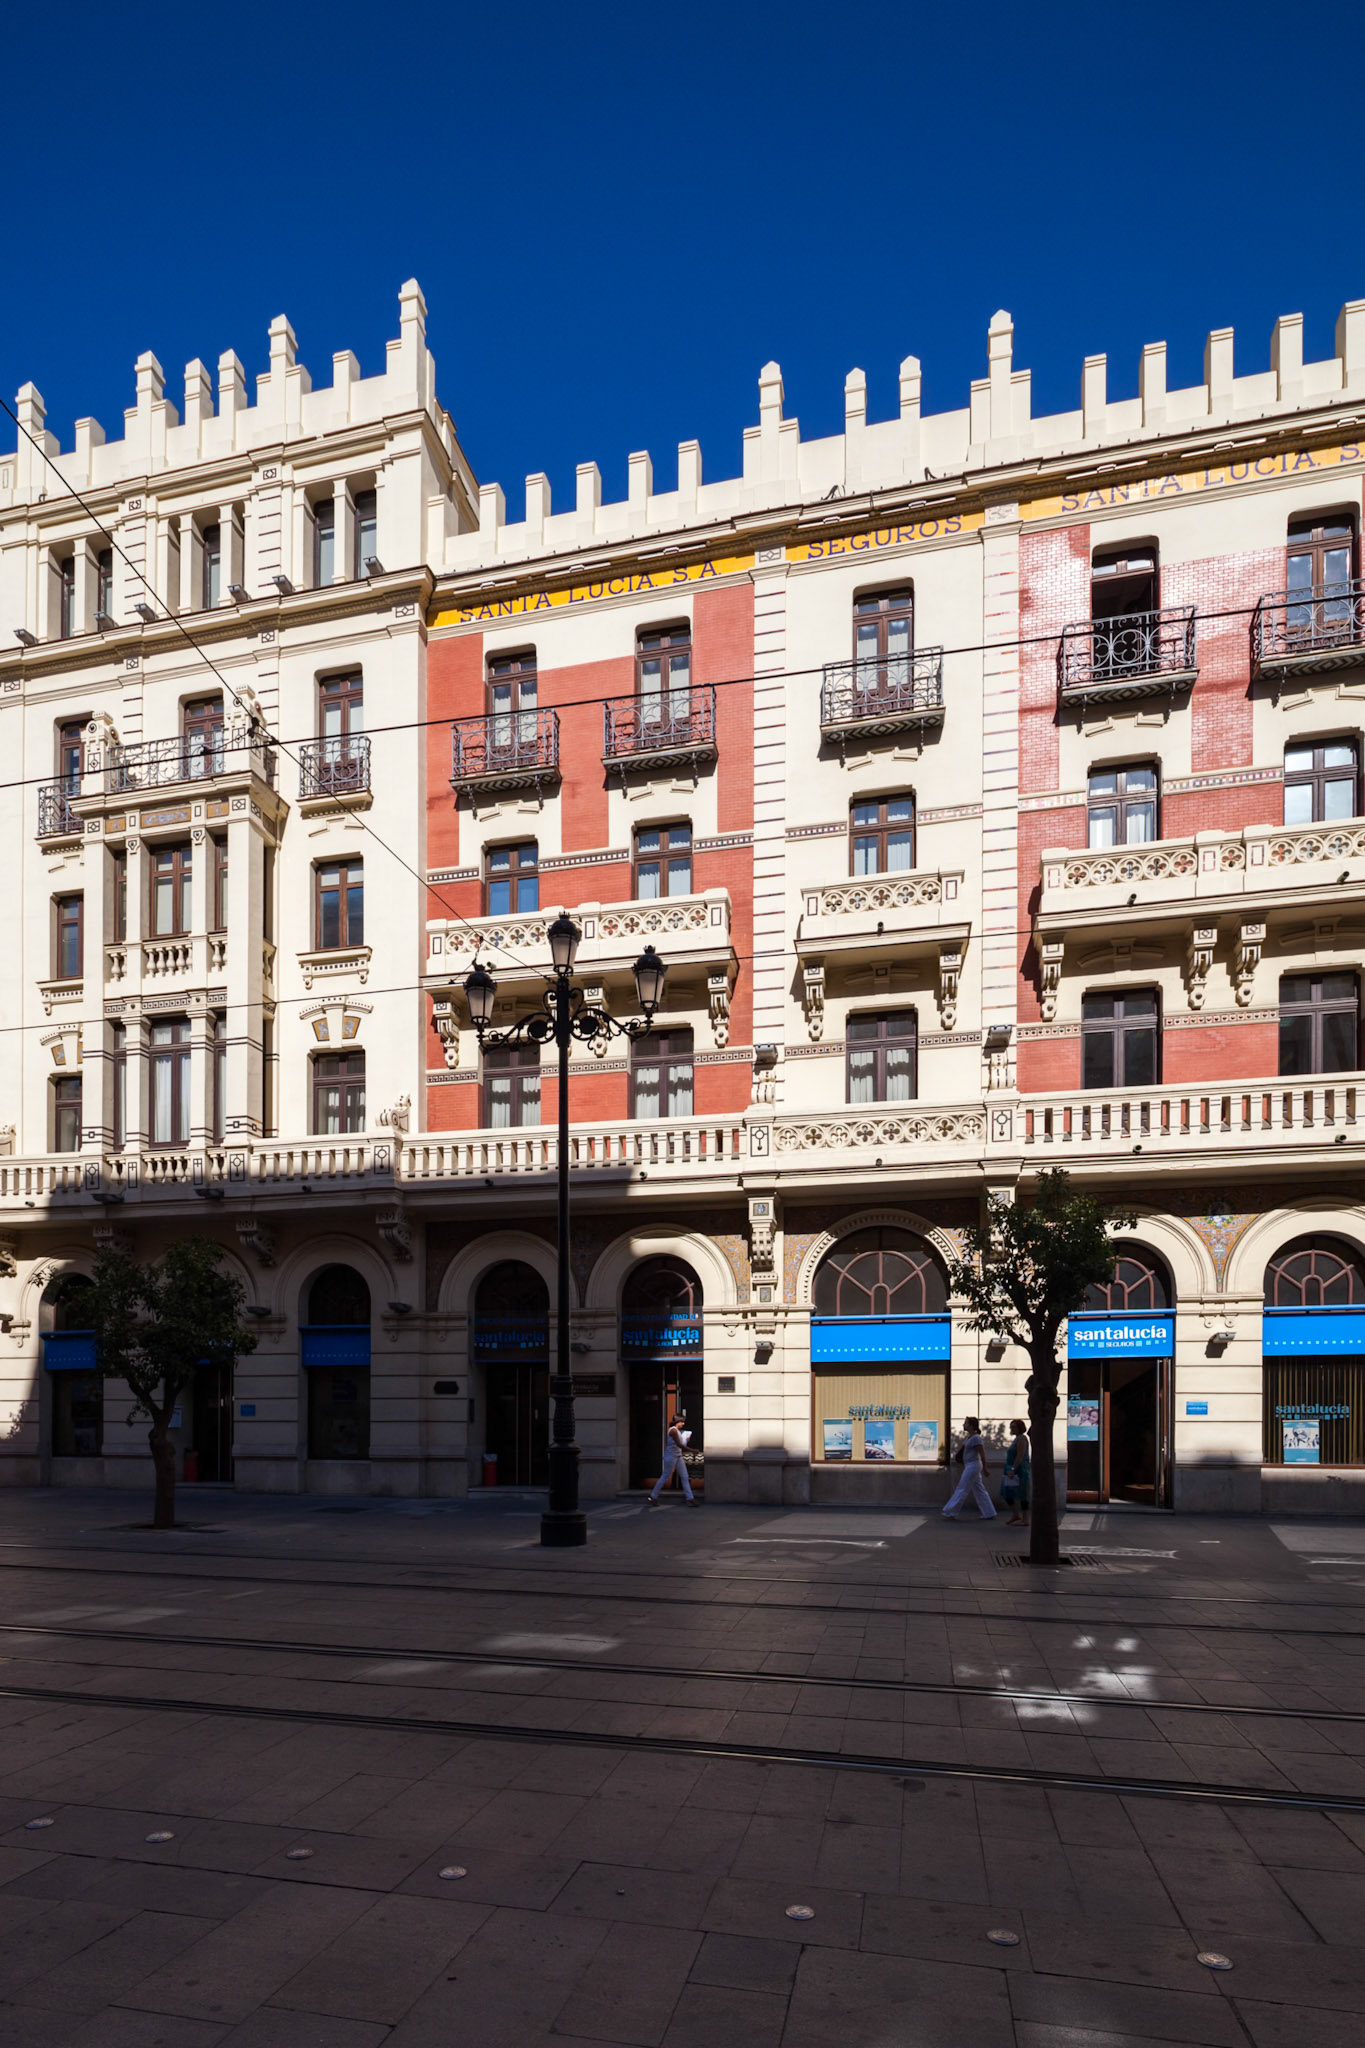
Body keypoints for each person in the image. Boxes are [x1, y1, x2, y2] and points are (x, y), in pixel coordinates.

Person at [941, 1416, 996, 1520]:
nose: (963, 1425)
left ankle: (951, 1511)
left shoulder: (976, 1438)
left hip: (973, 1465)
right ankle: (989, 1512)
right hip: (971, 1465)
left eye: (966, 1423)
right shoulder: (971, 1437)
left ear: (971, 1426)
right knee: (979, 1489)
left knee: (962, 1488)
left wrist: (985, 1468)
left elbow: (982, 1454)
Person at [647, 1411, 697, 1505]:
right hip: (671, 1456)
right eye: (682, 1421)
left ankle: (690, 1498)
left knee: (684, 1476)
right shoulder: (673, 1430)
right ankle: (653, 1496)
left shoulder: (677, 1431)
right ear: (678, 1421)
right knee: (665, 1476)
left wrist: (686, 1440)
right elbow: (679, 1444)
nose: (683, 1423)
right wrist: (692, 1450)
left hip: (677, 1455)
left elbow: (680, 1444)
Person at [1000, 1418, 1031, 1526]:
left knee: (1022, 1494)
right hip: (1011, 1470)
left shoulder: (1022, 1438)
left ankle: (1025, 1518)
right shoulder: (1017, 1438)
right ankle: (1015, 1514)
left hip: (1019, 1470)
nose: (1011, 1428)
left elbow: (1020, 1455)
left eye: (1013, 1427)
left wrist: (1013, 1469)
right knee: (1007, 1493)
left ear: (1019, 1428)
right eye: (1011, 1426)